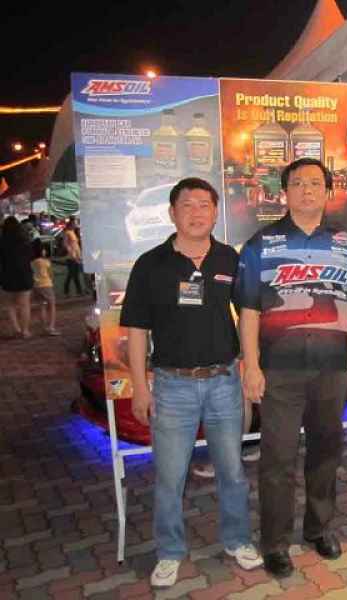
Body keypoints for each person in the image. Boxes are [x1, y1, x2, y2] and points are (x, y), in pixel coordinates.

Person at [120, 178, 262, 588]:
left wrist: (251, 367)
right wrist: (140, 387)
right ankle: (169, 552)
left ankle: (237, 540)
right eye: (187, 205)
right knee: (170, 477)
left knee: (232, 470)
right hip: (172, 386)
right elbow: (136, 330)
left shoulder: (230, 259)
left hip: (224, 382)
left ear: (216, 213)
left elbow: (249, 315)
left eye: (204, 205)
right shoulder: (151, 264)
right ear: (172, 213)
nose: (196, 212)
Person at [233, 158, 347, 578]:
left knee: (326, 452)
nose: (307, 190)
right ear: (284, 192)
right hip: (279, 369)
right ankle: (274, 542)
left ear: (328, 192)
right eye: (298, 183)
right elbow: (248, 310)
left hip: (332, 367)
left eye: (315, 183)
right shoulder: (261, 244)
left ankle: (319, 528)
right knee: (278, 458)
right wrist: (251, 366)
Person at [0, 216, 34, 338]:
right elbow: (31, 256)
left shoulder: (2, 241)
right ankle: (25, 331)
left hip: (7, 275)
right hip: (24, 275)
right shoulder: (24, 240)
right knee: (24, 305)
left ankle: (16, 329)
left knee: (10, 305)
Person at [31, 238, 59, 335]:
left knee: (41, 306)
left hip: (36, 286)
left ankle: (44, 327)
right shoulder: (45, 262)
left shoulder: (32, 262)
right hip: (46, 285)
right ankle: (51, 327)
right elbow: (51, 274)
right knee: (51, 306)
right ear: (41, 250)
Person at [63, 218, 84, 296]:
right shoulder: (67, 233)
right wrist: (72, 254)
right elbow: (66, 244)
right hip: (71, 257)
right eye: (75, 223)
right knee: (72, 274)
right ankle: (72, 291)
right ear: (71, 224)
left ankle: (76, 291)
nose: (76, 225)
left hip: (76, 256)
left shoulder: (73, 232)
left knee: (74, 274)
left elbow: (75, 245)